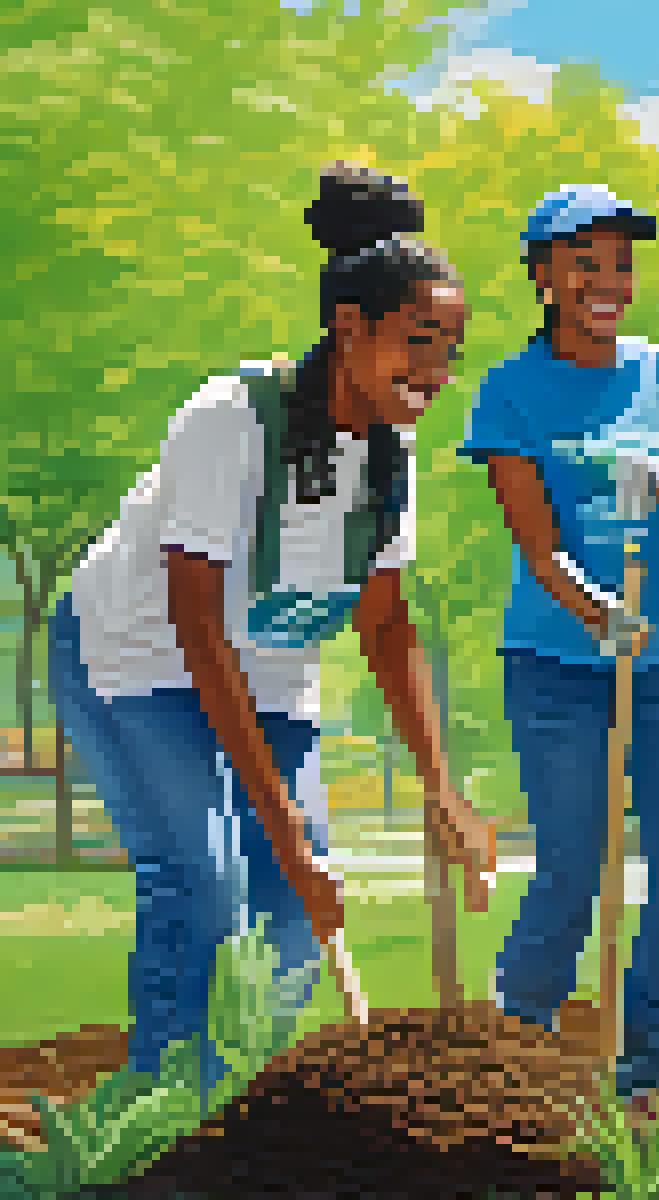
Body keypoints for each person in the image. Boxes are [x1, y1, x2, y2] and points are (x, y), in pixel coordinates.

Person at [51, 163, 496, 1093]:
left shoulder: (391, 454)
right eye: (418, 342)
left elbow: (384, 624)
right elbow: (195, 625)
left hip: (270, 677)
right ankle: (163, 1126)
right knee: (205, 885)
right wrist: (283, 822)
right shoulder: (230, 420)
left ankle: (249, 1117)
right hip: (136, 663)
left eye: (449, 350)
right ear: (351, 326)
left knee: (298, 914)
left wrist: (440, 785)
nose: (435, 373)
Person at [460, 184, 659, 1109]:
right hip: (558, 666)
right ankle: (517, 1050)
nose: (607, 280)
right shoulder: (510, 391)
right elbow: (536, 543)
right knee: (574, 860)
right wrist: (599, 612)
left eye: (620, 263)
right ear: (542, 277)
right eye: (585, 263)